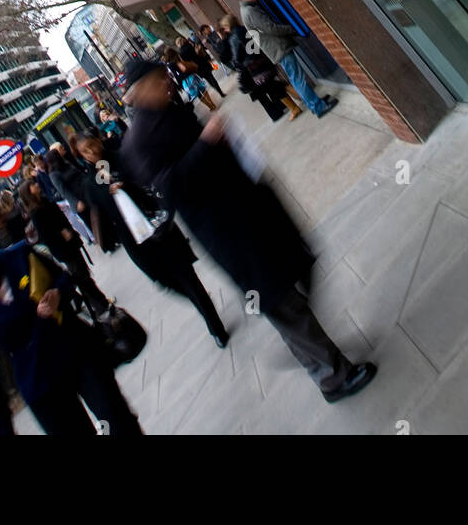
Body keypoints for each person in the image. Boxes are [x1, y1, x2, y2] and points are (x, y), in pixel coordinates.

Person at [120, 61, 375, 404]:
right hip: (229, 232)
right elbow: (170, 190)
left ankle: (315, 359)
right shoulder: (139, 140)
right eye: (159, 78)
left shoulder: (170, 110)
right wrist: (206, 142)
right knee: (281, 300)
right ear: (140, 90)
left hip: (247, 210)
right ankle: (333, 376)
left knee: (291, 284)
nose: (168, 80)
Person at [0, 229, 141, 437]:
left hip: (76, 352)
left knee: (118, 421)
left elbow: (64, 277)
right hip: (40, 384)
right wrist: (4, 429)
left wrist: (58, 293)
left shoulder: (19, 255)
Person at [74, 133, 229, 348]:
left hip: (157, 226)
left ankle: (215, 326)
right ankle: (200, 300)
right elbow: (101, 211)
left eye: (92, 146)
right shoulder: (90, 183)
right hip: (136, 241)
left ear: (98, 141)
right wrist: (107, 193)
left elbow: (145, 179)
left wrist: (124, 185)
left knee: (186, 276)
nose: (92, 152)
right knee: (166, 281)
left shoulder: (120, 157)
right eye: (86, 151)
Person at [239, 0, 337, 118]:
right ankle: (318, 107)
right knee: (298, 79)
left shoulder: (246, 10)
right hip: (278, 48)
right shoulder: (250, 11)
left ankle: (315, 103)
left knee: (296, 78)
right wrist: (292, 28)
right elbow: (271, 28)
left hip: (276, 48)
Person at [17, 177, 110, 320]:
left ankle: (100, 302)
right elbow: (46, 235)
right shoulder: (36, 212)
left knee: (83, 274)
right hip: (63, 248)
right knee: (81, 277)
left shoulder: (44, 201)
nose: (37, 185)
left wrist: (68, 231)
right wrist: (61, 233)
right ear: (28, 192)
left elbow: (61, 219)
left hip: (69, 243)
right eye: (33, 185)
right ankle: (100, 304)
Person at [220, 14, 301, 122]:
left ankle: (298, 103)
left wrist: (238, 64)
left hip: (254, 67)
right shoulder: (244, 28)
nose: (225, 30)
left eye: (224, 27)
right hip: (262, 60)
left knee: (273, 86)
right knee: (273, 85)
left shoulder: (233, 37)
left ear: (228, 25)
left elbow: (237, 58)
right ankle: (295, 106)